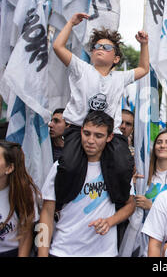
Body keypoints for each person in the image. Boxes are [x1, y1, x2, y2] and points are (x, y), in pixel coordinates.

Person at [52, 13, 146, 244]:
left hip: (110, 135)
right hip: (78, 130)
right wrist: (71, 24)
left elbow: (143, 68)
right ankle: (60, 205)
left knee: (124, 164)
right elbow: (57, 45)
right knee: (70, 166)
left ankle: (118, 206)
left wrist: (144, 45)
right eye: (96, 46)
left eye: (106, 47)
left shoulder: (120, 78)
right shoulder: (81, 69)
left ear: (115, 58)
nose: (99, 49)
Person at [38, 111, 136, 257]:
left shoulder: (117, 168)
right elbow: (46, 212)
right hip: (63, 251)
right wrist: (42, 254)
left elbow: (131, 204)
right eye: (87, 133)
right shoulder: (61, 167)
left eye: (98, 136)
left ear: (109, 137)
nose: (90, 140)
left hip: (104, 253)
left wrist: (110, 221)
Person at [134, 130, 167, 212]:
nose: (162, 145)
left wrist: (151, 207)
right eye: (159, 142)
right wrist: (132, 184)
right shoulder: (142, 172)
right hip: (139, 224)